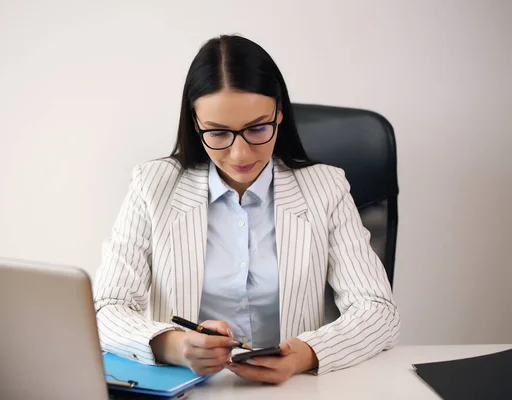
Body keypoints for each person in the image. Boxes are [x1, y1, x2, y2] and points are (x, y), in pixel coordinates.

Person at [93, 34, 400, 384]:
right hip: (187, 389)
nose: (240, 155)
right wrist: (175, 346)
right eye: (218, 133)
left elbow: (378, 312)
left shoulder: (325, 188)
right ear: (196, 124)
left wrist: (305, 353)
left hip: (293, 388)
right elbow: (105, 309)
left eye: (257, 128)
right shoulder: (153, 186)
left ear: (279, 114)